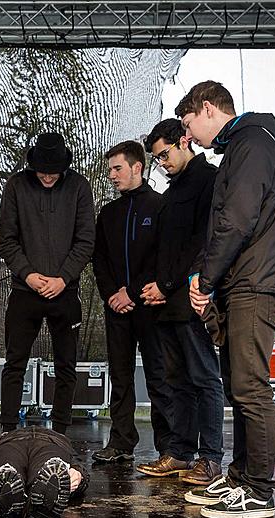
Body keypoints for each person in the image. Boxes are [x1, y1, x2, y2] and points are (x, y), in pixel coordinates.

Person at [177, 81, 275, 518]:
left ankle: (260, 491)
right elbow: (226, 226)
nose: (188, 137)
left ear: (208, 109)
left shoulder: (251, 145)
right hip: (242, 282)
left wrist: (205, 281)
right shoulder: (241, 148)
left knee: (250, 386)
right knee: (238, 385)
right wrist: (207, 279)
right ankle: (243, 476)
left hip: (257, 284)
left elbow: (236, 221)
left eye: (189, 125)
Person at [138, 119, 225, 485]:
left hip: (191, 296)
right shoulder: (173, 188)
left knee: (204, 377)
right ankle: (180, 453)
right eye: (157, 159)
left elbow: (202, 245)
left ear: (184, 141)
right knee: (176, 380)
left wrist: (168, 283)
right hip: (168, 303)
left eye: (165, 155)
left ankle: (211, 459)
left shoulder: (208, 179)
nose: (162, 163)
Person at [0, 133, 96, 435]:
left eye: (54, 172)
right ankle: (8, 431)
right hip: (25, 291)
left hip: (65, 292)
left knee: (67, 365)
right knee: (15, 363)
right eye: (42, 171)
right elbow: (5, 239)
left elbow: (86, 240)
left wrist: (63, 278)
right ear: (33, 165)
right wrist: (28, 274)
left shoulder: (79, 186)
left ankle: (61, 432)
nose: (48, 177)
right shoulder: (16, 186)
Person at [90, 141, 171, 464]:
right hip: (117, 310)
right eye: (109, 169)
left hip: (151, 306)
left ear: (137, 167)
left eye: (117, 168)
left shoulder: (160, 206)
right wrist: (113, 294)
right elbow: (99, 260)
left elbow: (162, 259)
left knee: (159, 375)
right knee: (120, 376)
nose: (111, 175)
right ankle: (121, 442)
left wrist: (132, 292)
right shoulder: (108, 213)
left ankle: (168, 447)